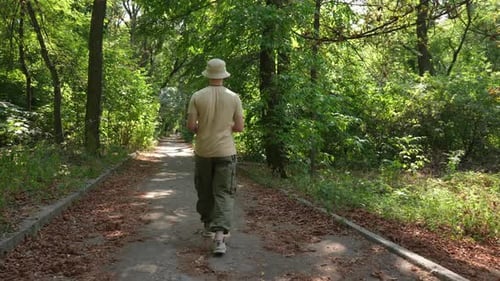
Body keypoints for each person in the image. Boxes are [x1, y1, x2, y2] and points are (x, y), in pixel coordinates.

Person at [187, 58, 244, 255]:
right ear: (224, 74)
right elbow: (239, 127)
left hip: (203, 151)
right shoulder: (234, 97)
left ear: (208, 74)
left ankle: (206, 226)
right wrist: (226, 127)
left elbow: (191, 126)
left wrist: (202, 129)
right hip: (226, 152)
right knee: (224, 193)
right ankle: (219, 240)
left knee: (204, 189)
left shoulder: (197, 96)